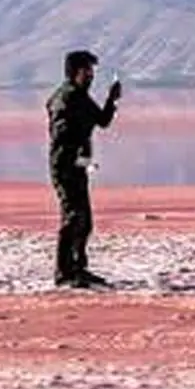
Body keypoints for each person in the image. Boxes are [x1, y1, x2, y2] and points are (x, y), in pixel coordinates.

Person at [46, 50, 122, 289]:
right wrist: (75, 151)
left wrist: (112, 100)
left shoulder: (80, 96)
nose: (91, 75)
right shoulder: (65, 97)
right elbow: (62, 131)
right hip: (65, 165)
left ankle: (79, 267)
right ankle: (64, 272)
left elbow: (102, 121)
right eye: (86, 70)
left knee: (84, 220)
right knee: (73, 217)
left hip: (78, 166)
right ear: (74, 72)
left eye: (92, 71)